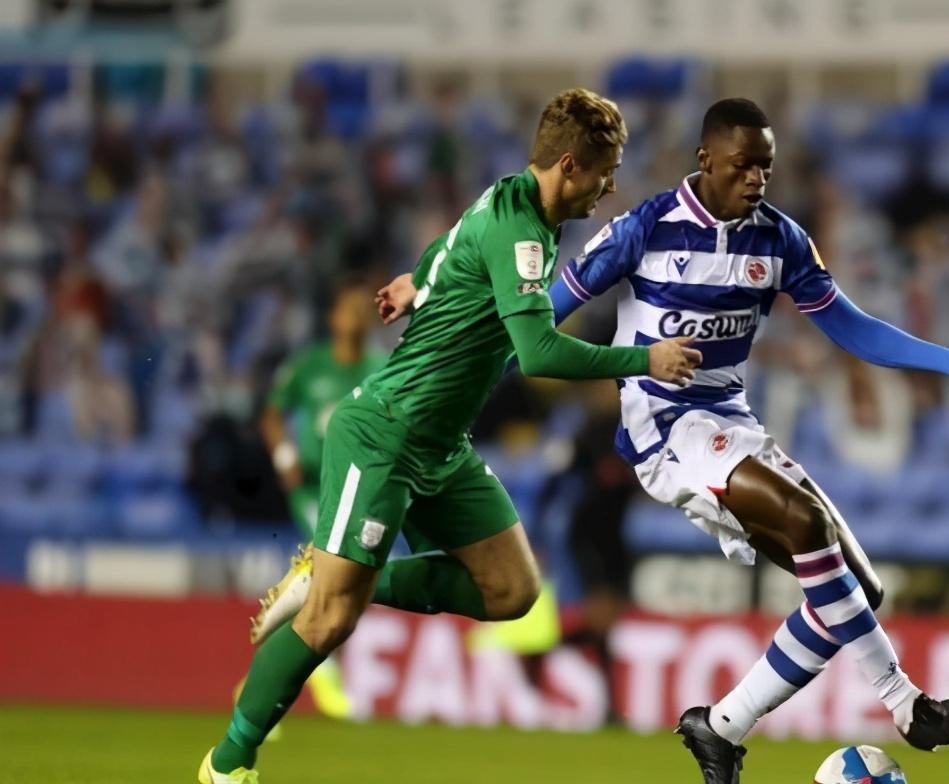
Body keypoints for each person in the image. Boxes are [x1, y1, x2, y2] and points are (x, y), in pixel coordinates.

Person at [197, 87, 702, 784]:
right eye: (604, 171)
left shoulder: (511, 201)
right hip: (384, 433)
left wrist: (418, 282)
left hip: (440, 446)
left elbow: (450, 247)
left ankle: (337, 574)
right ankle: (228, 764)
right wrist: (644, 361)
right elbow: (538, 354)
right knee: (329, 619)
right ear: (568, 165)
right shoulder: (521, 232)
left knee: (512, 591)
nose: (610, 187)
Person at [546, 99, 949, 784]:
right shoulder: (645, 229)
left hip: (730, 421)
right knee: (805, 521)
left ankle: (721, 727)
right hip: (667, 427)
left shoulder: (781, 240)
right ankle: (904, 703)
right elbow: (538, 322)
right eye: (742, 165)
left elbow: (853, 328)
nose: (756, 179)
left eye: (765, 166)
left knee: (857, 591)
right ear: (705, 160)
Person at [253, 281, 390, 717]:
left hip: (358, 488)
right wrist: (284, 454)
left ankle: (256, 687)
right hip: (314, 486)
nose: (357, 315)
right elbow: (272, 413)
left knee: (341, 583)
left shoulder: (380, 366)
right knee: (334, 568)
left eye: (363, 308)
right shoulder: (309, 366)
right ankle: (324, 669)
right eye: (348, 307)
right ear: (333, 318)